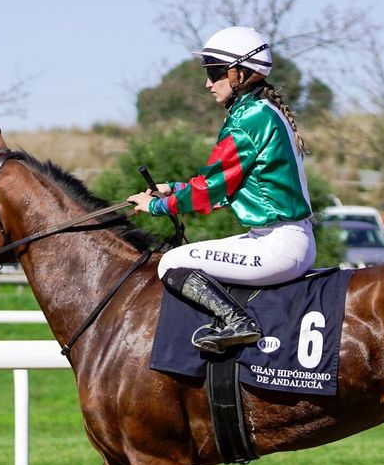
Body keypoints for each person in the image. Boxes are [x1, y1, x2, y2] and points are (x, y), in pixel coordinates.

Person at [129, 26, 316, 353]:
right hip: (277, 238)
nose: (207, 83)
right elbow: (225, 184)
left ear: (241, 74)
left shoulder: (249, 117)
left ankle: (238, 323)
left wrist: (158, 207)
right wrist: (172, 188)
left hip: (279, 244)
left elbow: (210, 191)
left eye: (214, 73)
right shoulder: (259, 111)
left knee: (171, 263)